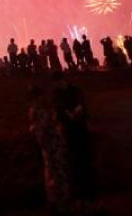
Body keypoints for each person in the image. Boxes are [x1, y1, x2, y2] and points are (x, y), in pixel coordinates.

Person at [29, 84, 73, 213]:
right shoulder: (41, 111)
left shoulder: (35, 111)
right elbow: (47, 128)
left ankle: (56, 201)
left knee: (53, 172)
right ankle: (59, 202)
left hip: (49, 145)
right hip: (52, 145)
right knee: (57, 172)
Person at [52, 72, 94, 203]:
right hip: (70, 129)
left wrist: (78, 113)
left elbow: (81, 104)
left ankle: (86, 189)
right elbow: (59, 110)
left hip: (77, 127)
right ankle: (80, 189)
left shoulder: (73, 91)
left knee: (82, 157)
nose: (58, 84)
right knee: (75, 158)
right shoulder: (59, 93)